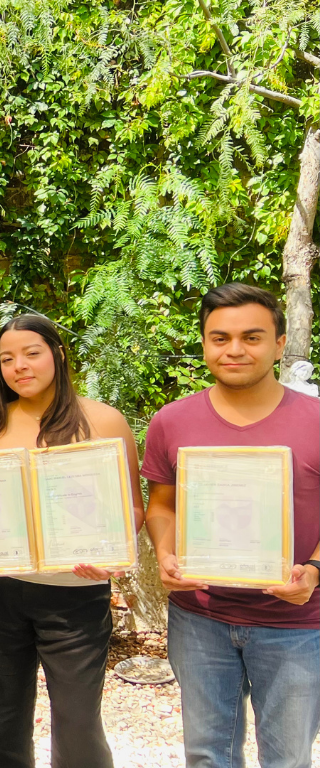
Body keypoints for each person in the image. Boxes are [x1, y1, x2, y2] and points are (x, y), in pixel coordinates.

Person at [0, 313, 144, 768]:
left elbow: (132, 507)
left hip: (75, 594)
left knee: (78, 727)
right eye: (7, 359)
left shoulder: (103, 420)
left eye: (32, 354)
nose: (20, 366)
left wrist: (112, 556)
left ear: (57, 354)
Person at [142, 283, 319, 768]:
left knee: (288, 759)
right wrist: (164, 553)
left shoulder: (316, 419)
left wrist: (315, 571)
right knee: (207, 756)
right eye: (220, 338)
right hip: (199, 617)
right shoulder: (171, 421)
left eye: (252, 337)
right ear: (204, 343)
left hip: (297, 623)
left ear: (280, 344)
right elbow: (161, 505)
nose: (234, 349)